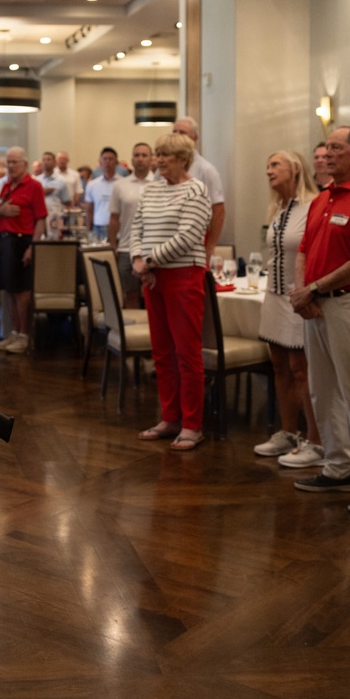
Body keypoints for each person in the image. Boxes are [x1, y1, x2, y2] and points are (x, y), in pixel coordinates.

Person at [289, 126, 350, 516]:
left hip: (349, 304)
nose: (326, 154)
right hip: (314, 304)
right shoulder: (323, 199)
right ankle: (337, 466)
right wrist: (303, 293)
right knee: (323, 391)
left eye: (336, 148)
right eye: (326, 147)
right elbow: (303, 251)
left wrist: (312, 288)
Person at [130, 132, 212, 450]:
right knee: (162, 353)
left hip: (184, 276)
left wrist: (148, 261)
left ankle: (192, 424)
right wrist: (139, 259)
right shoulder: (152, 188)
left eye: (166, 155)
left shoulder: (196, 190)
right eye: (158, 154)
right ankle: (170, 417)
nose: (159, 160)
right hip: (153, 278)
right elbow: (136, 227)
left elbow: (190, 235)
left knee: (187, 354)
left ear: (183, 159)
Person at [251, 151, 323, 465]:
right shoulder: (279, 209)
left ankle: (316, 440)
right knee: (279, 366)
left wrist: (308, 291)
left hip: (298, 295)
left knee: (300, 369)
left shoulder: (312, 207)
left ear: (294, 169)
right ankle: (289, 432)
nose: (268, 170)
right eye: (267, 165)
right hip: (274, 295)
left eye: (274, 164)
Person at [0, 146, 47, 354]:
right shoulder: (6, 186)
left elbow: (41, 219)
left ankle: (24, 335)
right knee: (9, 291)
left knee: (22, 292)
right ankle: (13, 333)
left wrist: (32, 247)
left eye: (15, 162)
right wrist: (1, 211)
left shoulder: (34, 186)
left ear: (25, 164)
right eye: (8, 162)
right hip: (5, 241)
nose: (11, 166)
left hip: (22, 241)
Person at [108, 142, 154, 308]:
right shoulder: (120, 185)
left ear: (151, 159)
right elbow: (114, 218)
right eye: (137, 155)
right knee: (130, 295)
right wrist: (113, 245)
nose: (140, 159)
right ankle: (132, 332)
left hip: (153, 248)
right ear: (131, 160)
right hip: (126, 247)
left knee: (153, 295)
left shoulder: (160, 184)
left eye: (144, 155)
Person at [173, 117, 225, 255]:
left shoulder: (206, 169)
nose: (177, 137)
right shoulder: (164, 169)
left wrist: (210, 246)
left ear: (195, 138)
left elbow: (218, 210)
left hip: (195, 242)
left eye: (182, 133)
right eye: (174, 132)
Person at [83, 146, 120, 238]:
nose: (107, 162)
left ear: (116, 162)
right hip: (98, 226)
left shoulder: (123, 183)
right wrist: (89, 231)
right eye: (105, 159)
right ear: (100, 162)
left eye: (111, 159)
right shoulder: (92, 185)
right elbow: (89, 210)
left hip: (118, 227)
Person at [35, 150, 71, 238]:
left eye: (48, 159)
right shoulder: (36, 181)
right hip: (39, 218)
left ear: (55, 163)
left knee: (55, 241)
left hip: (55, 217)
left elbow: (67, 201)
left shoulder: (61, 181)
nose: (46, 162)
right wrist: (43, 192)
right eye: (44, 160)